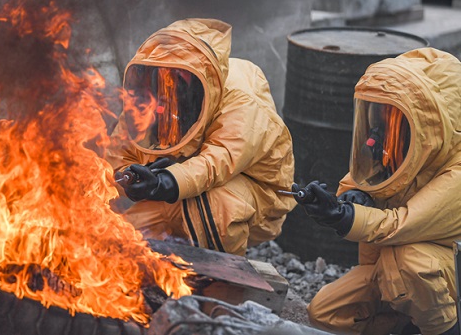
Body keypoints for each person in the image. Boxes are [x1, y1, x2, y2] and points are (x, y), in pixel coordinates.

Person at [293, 48, 461, 335]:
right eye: (377, 121)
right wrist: (351, 197)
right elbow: (363, 179)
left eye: (389, 124)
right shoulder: (407, 149)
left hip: (444, 276)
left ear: (427, 127)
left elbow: (403, 225)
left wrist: (342, 218)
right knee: (325, 313)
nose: (373, 140)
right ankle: (408, 326)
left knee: (411, 262)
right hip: (392, 269)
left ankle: (446, 330)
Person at [106, 18, 296, 256]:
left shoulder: (243, 102)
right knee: (120, 242)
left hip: (252, 199)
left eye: (173, 84)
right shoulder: (148, 100)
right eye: (159, 82)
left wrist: (164, 182)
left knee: (215, 208)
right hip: (177, 191)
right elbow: (117, 156)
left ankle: (222, 284)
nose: (164, 95)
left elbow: (218, 161)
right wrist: (131, 180)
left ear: (202, 84)